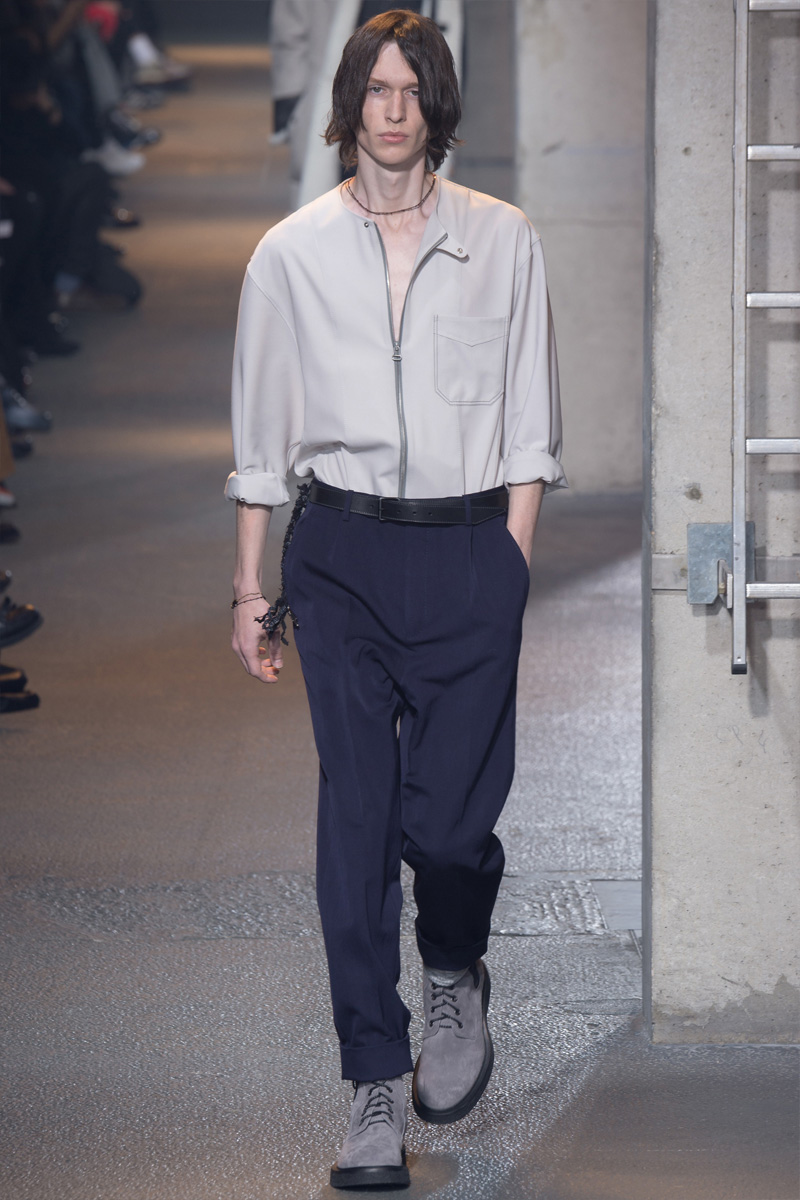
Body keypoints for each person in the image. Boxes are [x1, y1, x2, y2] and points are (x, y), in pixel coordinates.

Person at [227, 9, 565, 1190]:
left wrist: (509, 564)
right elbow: (261, 437)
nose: (392, 109)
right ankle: (372, 1082)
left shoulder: (502, 240)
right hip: (341, 559)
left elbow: (530, 427)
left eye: (411, 89)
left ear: (436, 106)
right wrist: (248, 586)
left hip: (469, 551)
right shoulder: (291, 255)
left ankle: (455, 965)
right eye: (374, 88)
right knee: (358, 824)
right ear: (348, 103)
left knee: (448, 832)